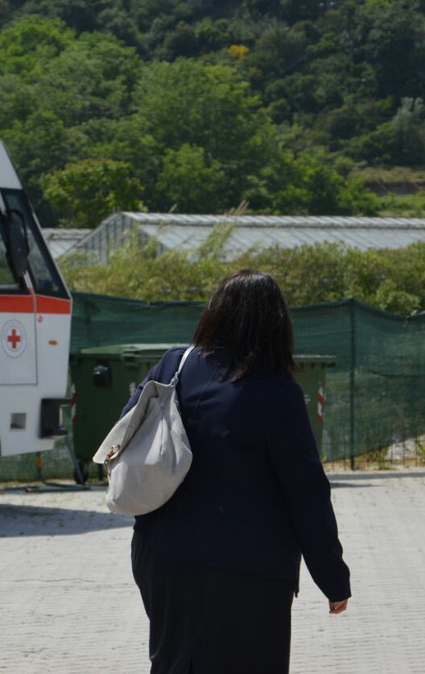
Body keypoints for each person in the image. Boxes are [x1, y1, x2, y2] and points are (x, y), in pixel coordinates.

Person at [125, 269, 350, 674]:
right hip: (246, 570)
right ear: (276, 324)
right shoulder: (276, 392)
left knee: (175, 664)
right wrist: (332, 577)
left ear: (216, 312)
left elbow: (127, 429)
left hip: (161, 554)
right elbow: (305, 491)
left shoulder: (175, 364)